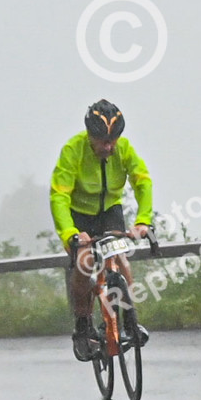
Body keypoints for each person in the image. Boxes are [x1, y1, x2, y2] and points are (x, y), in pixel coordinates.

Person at [51, 100, 154, 361]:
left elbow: (142, 181)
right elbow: (59, 196)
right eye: (102, 141)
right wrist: (70, 233)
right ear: (89, 135)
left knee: (120, 258)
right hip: (79, 216)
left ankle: (129, 321)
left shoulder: (124, 149)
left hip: (109, 212)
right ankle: (83, 326)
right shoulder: (73, 150)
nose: (108, 147)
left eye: (112, 140)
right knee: (84, 263)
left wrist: (143, 220)